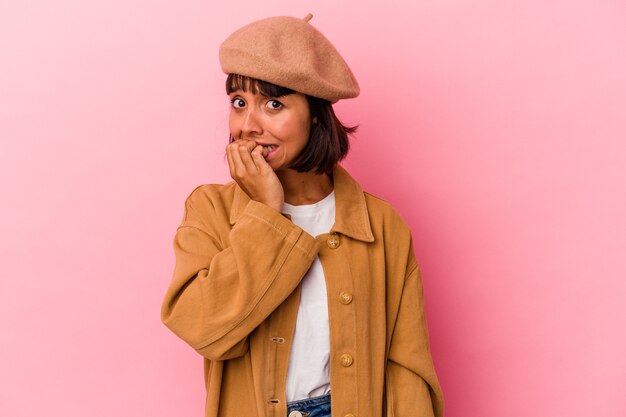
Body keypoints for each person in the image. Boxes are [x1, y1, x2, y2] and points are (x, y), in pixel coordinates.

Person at [161, 13, 444, 417]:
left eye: (273, 103)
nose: (248, 125)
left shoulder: (381, 226)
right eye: (239, 103)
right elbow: (205, 330)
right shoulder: (210, 210)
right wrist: (264, 212)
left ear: (315, 112)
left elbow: (408, 369)